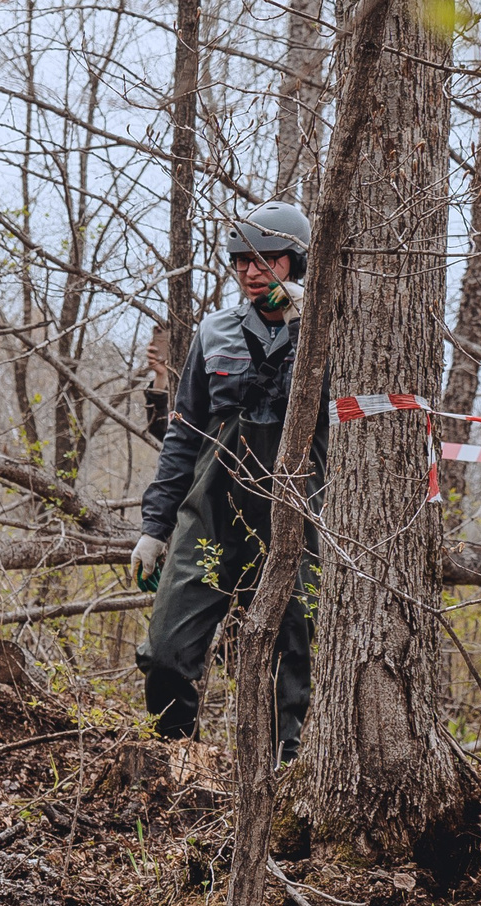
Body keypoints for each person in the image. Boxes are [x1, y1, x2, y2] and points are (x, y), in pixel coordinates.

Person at [131, 201, 326, 762]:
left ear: (295, 261)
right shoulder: (214, 332)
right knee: (167, 652)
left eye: (267, 259)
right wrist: (155, 527)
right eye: (241, 260)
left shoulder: (327, 334)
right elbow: (183, 435)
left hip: (295, 524)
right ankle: (179, 766)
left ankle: (280, 782)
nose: (252, 270)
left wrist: (306, 325)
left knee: (289, 665)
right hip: (210, 522)